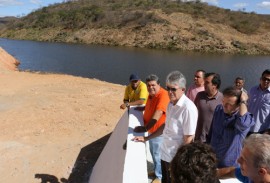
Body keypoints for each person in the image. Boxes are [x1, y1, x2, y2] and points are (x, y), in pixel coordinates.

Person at [133, 71, 198, 183]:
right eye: (168, 88)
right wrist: (146, 138)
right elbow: (165, 126)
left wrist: (179, 162)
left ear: (183, 89)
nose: (170, 92)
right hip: (165, 154)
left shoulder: (188, 109)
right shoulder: (171, 104)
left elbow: (189, 139)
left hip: (175, 159)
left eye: (173, 89)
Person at [134, 74, 170, 183]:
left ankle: (159, 177)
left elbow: (159, 111)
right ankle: (156, 171)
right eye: (148, 85)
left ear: (159, 84)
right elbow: (151, 105)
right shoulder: (152, 94)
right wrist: (143, 108)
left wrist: (145, 128)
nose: (151, 87)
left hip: (159, 132)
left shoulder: (163, 95)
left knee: (157, 154)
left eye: (153, 85)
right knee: (153, 152)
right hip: (152, 131)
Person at [207, 86, 255, 168]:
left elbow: (243, 124)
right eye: (223, 101)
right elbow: (212, 132)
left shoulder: (246, 118)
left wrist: (243, 101)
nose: (224, 105)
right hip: (212, 160)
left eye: (229, 104)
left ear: (238, 105)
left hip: (229, 166)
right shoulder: (219, 109)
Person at [194, 72, 223, 142]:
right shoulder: (199, 95)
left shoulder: (222, 99)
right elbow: (193, 111)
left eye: (207, 82)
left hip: (212, 140)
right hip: (198, 137)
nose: (204, 84)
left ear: (215, 85)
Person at [248, 69, 270, 133]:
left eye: (269, 80)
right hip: (248, 127)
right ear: (260, 79)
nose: (266, 81)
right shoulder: (252, 90)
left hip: (262, 130)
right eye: (264, 78)